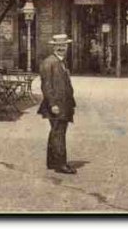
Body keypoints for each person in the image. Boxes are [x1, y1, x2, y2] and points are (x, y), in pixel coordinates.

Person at [37, 34, 77, 174]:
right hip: (56, 105)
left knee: (56, 132)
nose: (62, 48)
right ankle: (61, 164)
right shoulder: (49, 62)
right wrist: (53, 104)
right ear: (53, 46)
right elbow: (46, 86)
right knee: (59, 133)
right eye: (59, 46)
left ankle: (52, 162)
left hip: (63, 104)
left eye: (64, 45)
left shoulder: (60, 62)